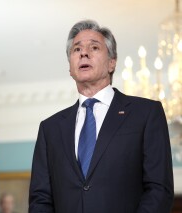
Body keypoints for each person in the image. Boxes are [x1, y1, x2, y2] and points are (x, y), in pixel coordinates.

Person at [29, 20, 174, 213]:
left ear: (112, 63)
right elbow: (40, 199)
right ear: (70, 68)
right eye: (76, 49)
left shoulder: (146, 113)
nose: (84, 53)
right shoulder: (50, 129)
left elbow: (159, 189)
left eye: (94, 47)